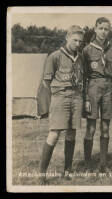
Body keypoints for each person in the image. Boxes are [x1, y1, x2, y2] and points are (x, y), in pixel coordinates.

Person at [38, 25, 85, 185]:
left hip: (77, 97)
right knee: (54, 133)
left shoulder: (80, 57)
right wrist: (57, 96)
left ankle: (67, 170)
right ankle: (42, 174)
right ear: (67, 37)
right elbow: (46, 81)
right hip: (60, 96)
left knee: (71, 134)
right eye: (75, 40)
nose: (78, 44)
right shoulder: (55, 56)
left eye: (80, 41)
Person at [82, 17, 112, 172]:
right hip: (92, 88)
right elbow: (83, 76)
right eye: (101, 28)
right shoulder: (87, 50)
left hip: (108, 89)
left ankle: (103, 164)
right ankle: (87, 162)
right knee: (91, 127)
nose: (104, 32)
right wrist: (85, 98)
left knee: (105, 126)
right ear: (95, 29)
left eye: (107, 29)